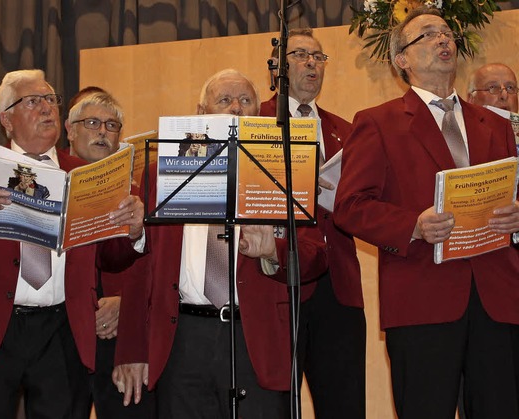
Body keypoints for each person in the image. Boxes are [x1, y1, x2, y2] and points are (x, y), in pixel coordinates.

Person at [334, 7, 519, 419]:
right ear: (402, 60)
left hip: (497, 298)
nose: (443, 40)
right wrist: (412, 226)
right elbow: (350, 206)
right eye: (429, 34)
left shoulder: (495, 123)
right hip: (422, 298)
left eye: (448, 33)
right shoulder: (377, 122)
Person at [113, 68, 329, 419]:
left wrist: (271, 253)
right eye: (224, 100)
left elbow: (316, 258)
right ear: (200, 113)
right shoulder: (162, 171)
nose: (235, 109)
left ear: (259, 114)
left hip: (255, 338)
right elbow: (143, 269)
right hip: (181, 338)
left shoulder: (283, 170)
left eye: (245, 101)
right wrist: (131, 348)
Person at [0, 69, 144, 419]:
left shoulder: (84, 173)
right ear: (6, 119)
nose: (47, 108)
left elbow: (108, 256)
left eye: (51, 100)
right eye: (33, 101)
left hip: (63, 330)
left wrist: (134, 232)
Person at [259, 27, 366, 419]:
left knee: (344, 403)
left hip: (338, 285)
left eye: (318, 57)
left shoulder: (348, 131)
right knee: (276, 405)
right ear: (277, 69)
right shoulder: (256, 119)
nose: (311, 64)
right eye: (301, 55)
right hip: (277, 279)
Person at [65, 89, 156, 418]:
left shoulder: (137, 192)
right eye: (92, 123)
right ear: (70, 130)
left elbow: (152, 263)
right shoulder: (48, 183)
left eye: (112, 125)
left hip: (119, 334)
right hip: (60, 338)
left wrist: (126, 305)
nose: (103, 131)